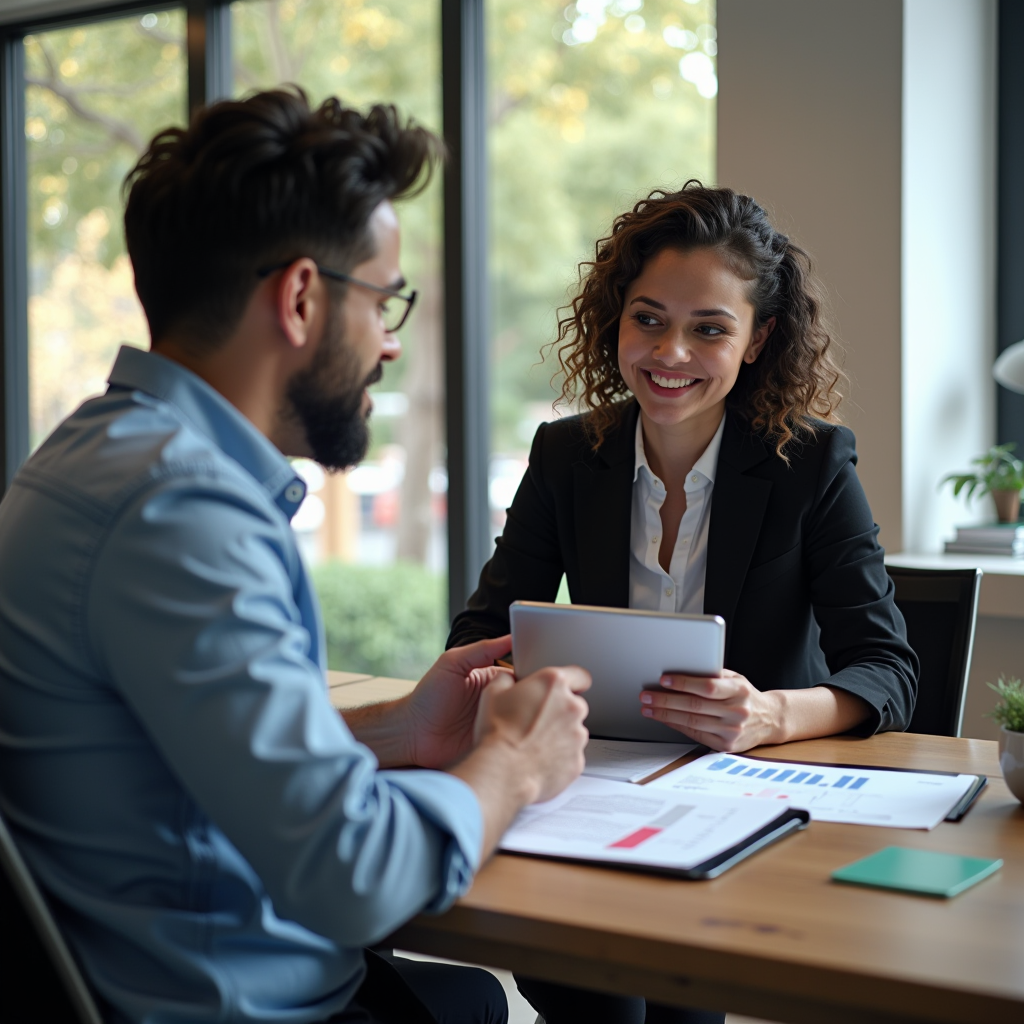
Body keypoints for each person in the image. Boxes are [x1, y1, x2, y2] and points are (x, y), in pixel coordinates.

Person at [0, 88, 592, 1024]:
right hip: (239, 1003)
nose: (390, 344)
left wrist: (398, 732)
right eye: (385, 301)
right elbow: (356, 875)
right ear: (302, 297)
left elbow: (183, 753)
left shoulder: (88, 457)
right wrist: (516, 759)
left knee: (469, 999)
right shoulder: (184, 512)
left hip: (163, 968)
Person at [447, 182, 919, 1023]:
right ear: (615, 321)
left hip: (748, 810)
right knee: (580, 986)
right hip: (594, 795)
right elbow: (483, 632)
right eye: (649, 319)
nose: (670, 352)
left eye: (709, 329)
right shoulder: (566, 456)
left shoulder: (811, 465)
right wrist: (503, 681)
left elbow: (887, 668)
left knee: (679, 999)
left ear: (758, 339)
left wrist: (770, 714)